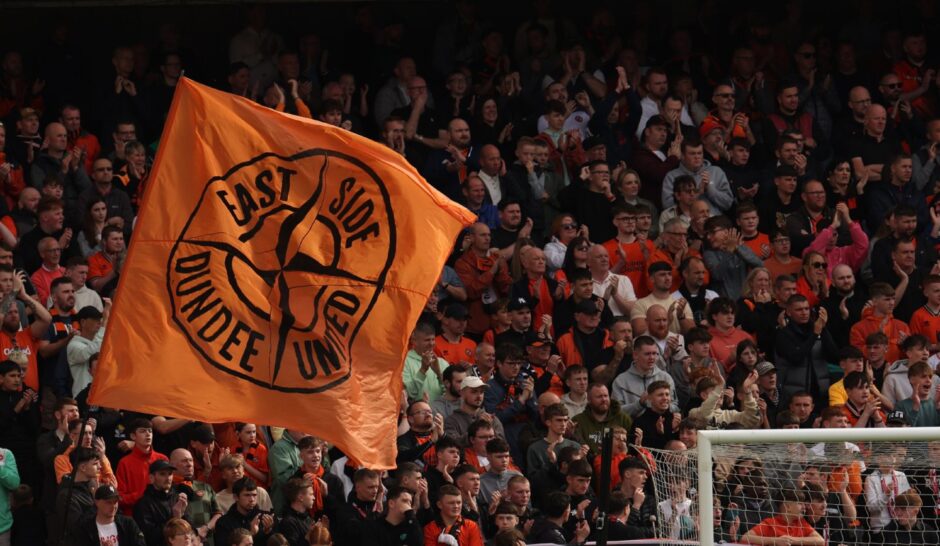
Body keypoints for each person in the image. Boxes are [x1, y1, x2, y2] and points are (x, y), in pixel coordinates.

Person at [133, 459, 189, 546]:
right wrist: (175, 518)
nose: (168, 478)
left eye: (170, 474)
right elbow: (149, 537)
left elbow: (189, 528)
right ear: (151, 478)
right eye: (162, 474)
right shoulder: (142, 504)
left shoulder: (177, 498)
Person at [739, 489, 824, 545]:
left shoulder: (801, 523)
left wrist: (792, 540)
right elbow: (745, 538)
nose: (804, 507)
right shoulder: (770, 523)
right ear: (788, 507)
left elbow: (821, 541)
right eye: (800, 503)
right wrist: (775, 541)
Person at [72, 484, 146, 546]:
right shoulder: (86, 528)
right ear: (97, 502)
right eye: (108, 502)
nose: (113, 506)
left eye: (115, 502)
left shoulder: (128, 523)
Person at [215, 477, 275, 546]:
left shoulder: (266, 518)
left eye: (254, 495)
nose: (252, 499)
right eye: (247, 495)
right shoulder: (224, 523)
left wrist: (268, 532)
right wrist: (251, 534)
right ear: (236, 497)